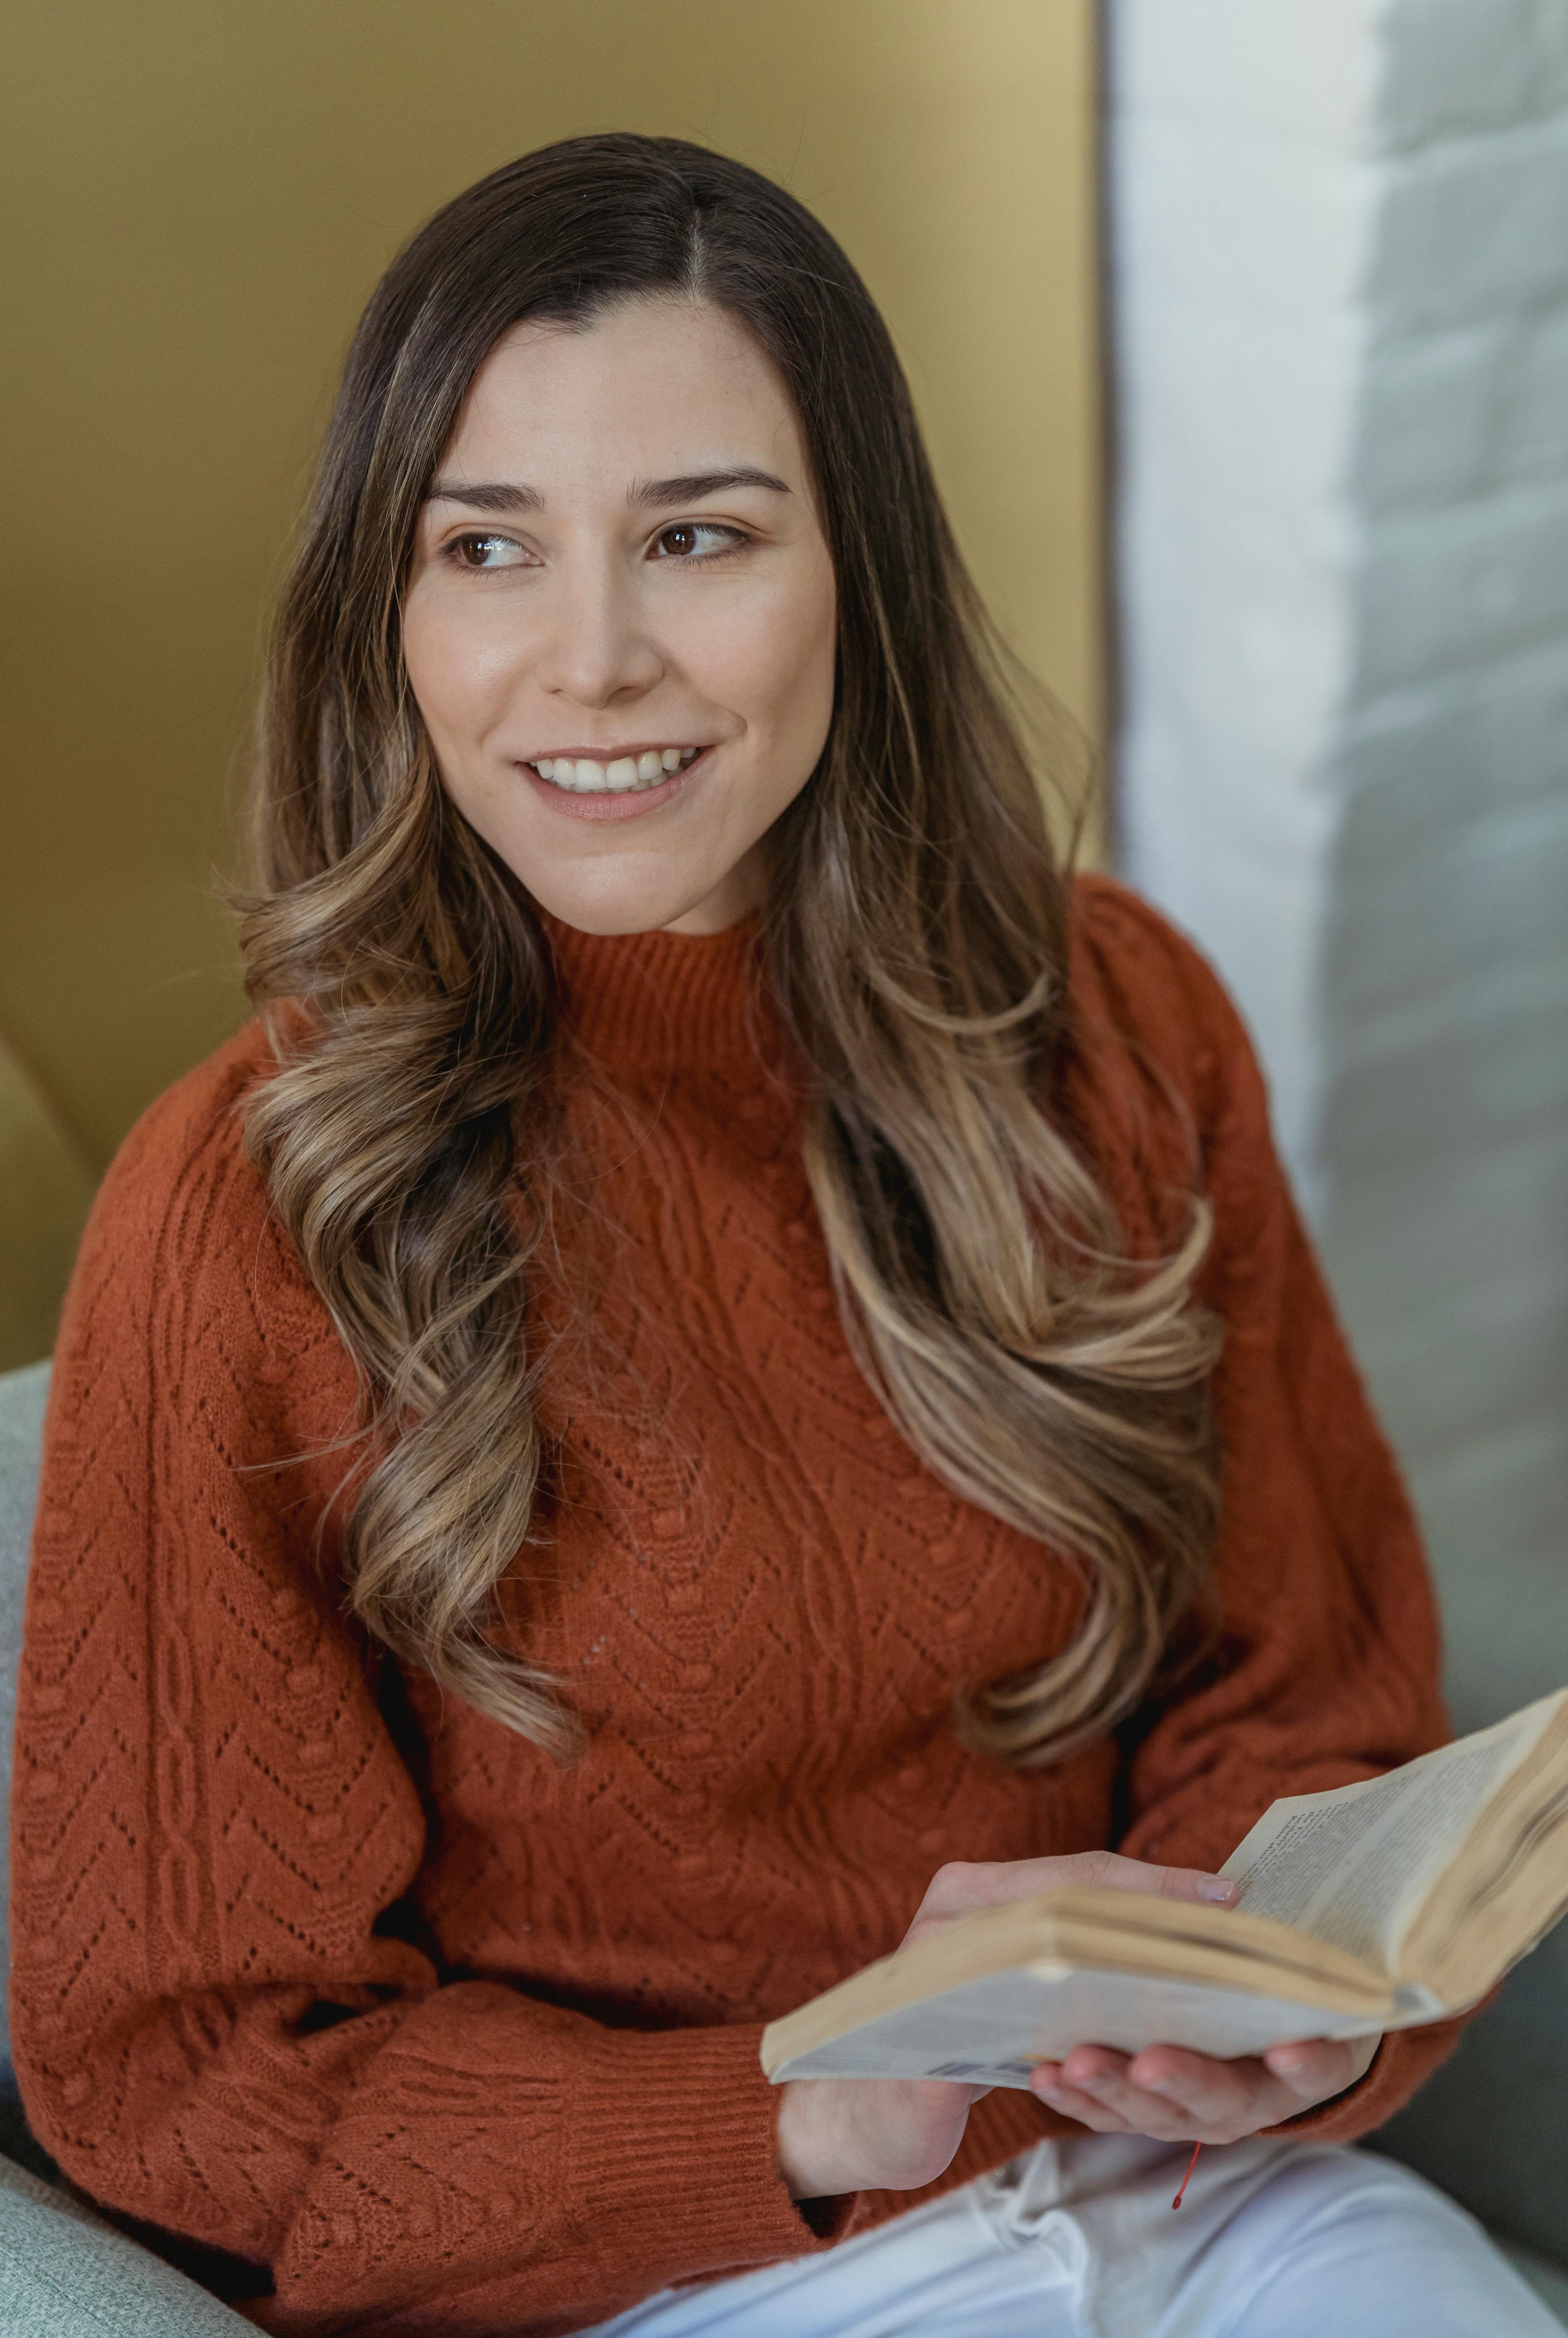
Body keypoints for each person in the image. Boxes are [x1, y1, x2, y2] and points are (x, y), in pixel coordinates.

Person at [9, 134, 1556, 2338]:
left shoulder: (1112, 1024)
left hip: (1202, 2199)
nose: (594, 661)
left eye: (701, 539)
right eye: (488, 550)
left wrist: (1299, 2008)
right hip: (688, 2286)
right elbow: (183, 2073)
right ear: (394, 612)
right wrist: (793, 2111)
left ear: (859, 576)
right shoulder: (245, 1212)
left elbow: (1295, 1694)